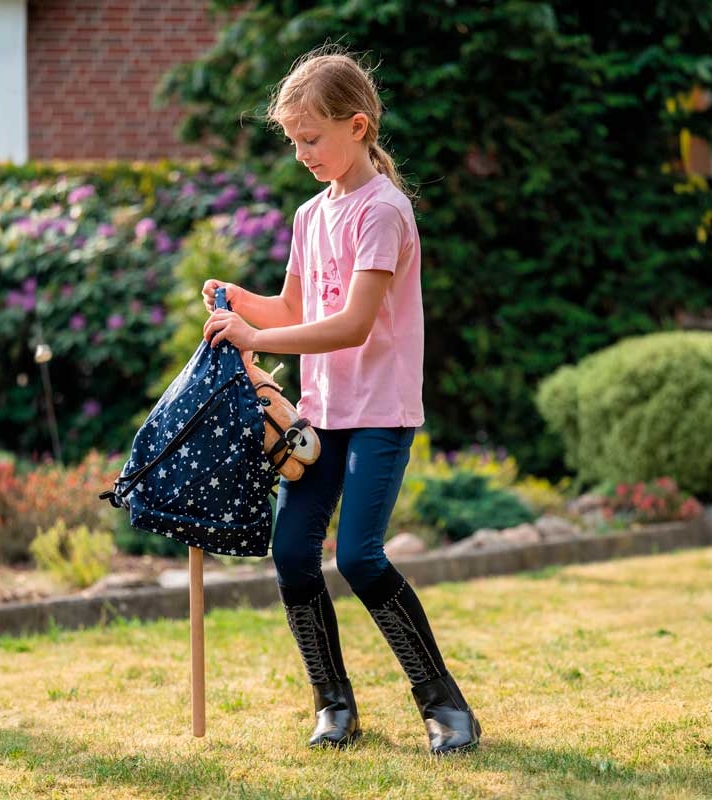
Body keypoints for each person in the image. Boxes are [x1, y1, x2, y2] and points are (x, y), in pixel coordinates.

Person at [201, 48, 481, 756]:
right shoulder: (308, 215)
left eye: (312, 138)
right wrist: (238, 301)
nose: (301, 153)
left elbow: (352, 323)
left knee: (358, 557)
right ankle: (334, 706)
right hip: (319, 415)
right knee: (292, 552)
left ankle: (445, 706)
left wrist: (256, 331)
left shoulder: (383, 211)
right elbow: (295, 306)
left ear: (358, 126)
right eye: (293, 140)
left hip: (380, 416)